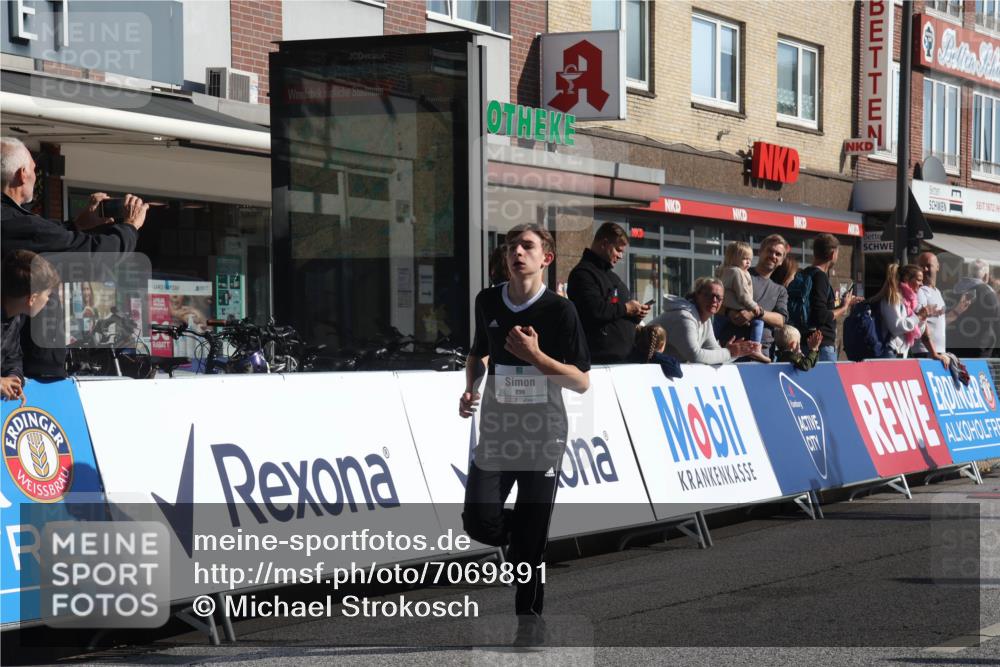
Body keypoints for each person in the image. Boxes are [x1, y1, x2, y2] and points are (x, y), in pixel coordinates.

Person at [458, 224, 590, 643]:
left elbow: (582, 381)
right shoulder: (486, 300)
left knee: (530, 549)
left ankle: (528, 628)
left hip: (543, 434)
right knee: (479, 522)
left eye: (527, 246)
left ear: (545, 258)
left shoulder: (560, 311)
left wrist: (535, 356)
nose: (517, 252)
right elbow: (478, 351)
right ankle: (525, 535)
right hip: (497, 429)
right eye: (512, 246)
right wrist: (470, 388)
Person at [1, 137, 149, 377]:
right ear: (22, 174)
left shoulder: (16, 224)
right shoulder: (22, 227)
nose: (36, 176)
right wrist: (130, 226)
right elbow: (95, 258)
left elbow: (46, 242)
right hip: (27, 365)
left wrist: (78, 225)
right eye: (34, 170)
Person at [567, 222, 649, 363]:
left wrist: (636, 315)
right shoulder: (583, 274)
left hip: (623, 358)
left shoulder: (612, 276)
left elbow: (615, 313)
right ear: (604, 244)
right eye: (618, 250)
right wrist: (627, 308)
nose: (621, 256)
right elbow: (594, 310)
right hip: (600, 362)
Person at [651, 277, 761, 365]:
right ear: (697, 295)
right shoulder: (684, 317)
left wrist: (739, 351)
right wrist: (729, 352)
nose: (714, 300)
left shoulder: (705, 320)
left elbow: (716, 355)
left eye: (719, 298)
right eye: (709, 295)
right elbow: (695, 356)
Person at [2, 250, 61, 404]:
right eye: (47, 294)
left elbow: (13, 358)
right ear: (32, 298)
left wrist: (13, 378)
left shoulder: (14, 318)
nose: (48, 300)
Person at [800, 233, 863, 362]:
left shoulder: (805, 273)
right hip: (821, 346)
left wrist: (843, 304)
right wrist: (844, 307)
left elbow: (817, 308)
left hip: (805, 341)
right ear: (832, 254)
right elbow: (822, 315)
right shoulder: (820, 277)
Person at [727, 234, 790, 360]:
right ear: (760, 252)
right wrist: (730, 313)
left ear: (782, 260)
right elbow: (715, 302)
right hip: (732, 349)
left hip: (762, 355)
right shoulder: (739, 274)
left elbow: (781, 320)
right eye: (770, 251)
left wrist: (756, 313)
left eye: (778, 254)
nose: (773, 256)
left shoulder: (780, 290)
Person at [715, 241, 771, 363]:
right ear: (733, 258)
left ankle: (712, 347)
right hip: (734, 308)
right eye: (744, 259)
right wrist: (754, 306)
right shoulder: (736, 272)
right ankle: (755, 347)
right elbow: (743, 294)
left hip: (724, 310)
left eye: (750, 259)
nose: (748, 262)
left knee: (716, 331)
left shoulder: (728, 270)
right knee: (758, 321)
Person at [871, 264, 929, 359]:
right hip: (890, 351)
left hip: (901, 353)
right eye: (919, 280)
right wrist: (918, 317)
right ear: (906, 279)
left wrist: (923, 318)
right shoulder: (893, 298)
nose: (922, 284)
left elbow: (917, 333)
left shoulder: (909, 301)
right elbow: (896, 328)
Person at [949, 259, 1000, 358]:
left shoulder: (954, 290)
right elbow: (997, 321)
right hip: (980, 350)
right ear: (986, 276)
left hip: (955, 347)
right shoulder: (988, 293)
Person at [911, 252, 951, 366]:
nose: (925, 269)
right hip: (925, 351)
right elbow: (922, 321)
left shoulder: (937, 291)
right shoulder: (920, 291)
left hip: (938, 351)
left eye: (929, 265)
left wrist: (958, 311)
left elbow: (940, 321)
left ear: (937, 267)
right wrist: (933, 352)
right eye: (921, 266)